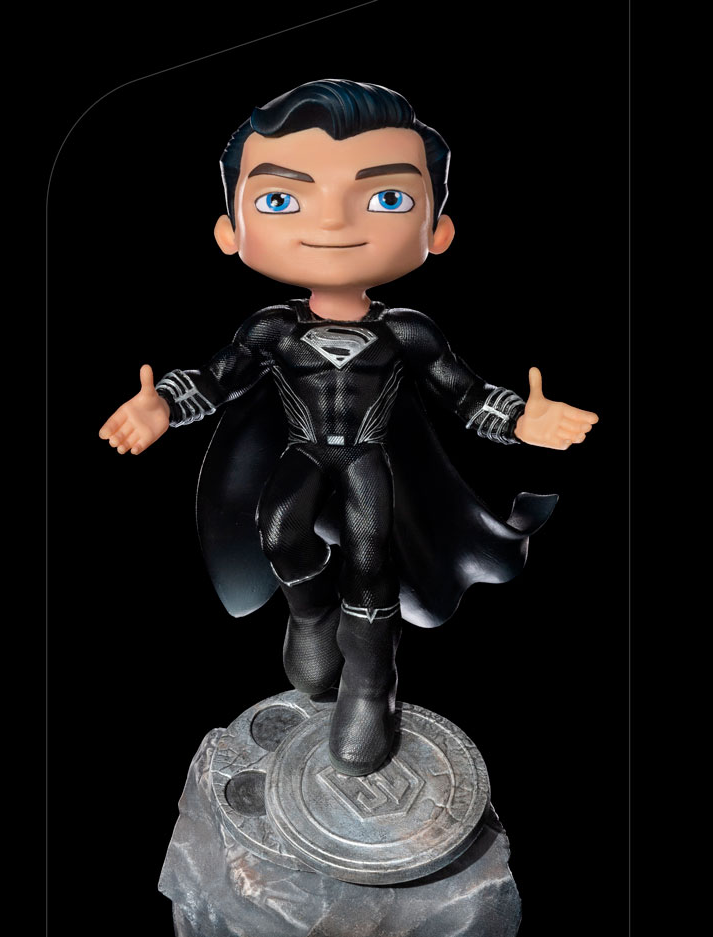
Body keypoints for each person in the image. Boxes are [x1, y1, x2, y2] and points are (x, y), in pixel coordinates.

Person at [99, 80, 598, 777]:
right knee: (279, 531)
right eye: (282, 200)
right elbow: (217, 379)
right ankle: (311, 615)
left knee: (371, 558)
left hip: (367, 458)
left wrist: (518, 418)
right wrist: (166, 406)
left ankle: (370, 677)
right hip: (305, 451)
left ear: (438, 230)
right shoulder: (272, 327)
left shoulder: (407, 331)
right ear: (230, 230)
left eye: (388, 198)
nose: (333, 225)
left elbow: (465, 395)